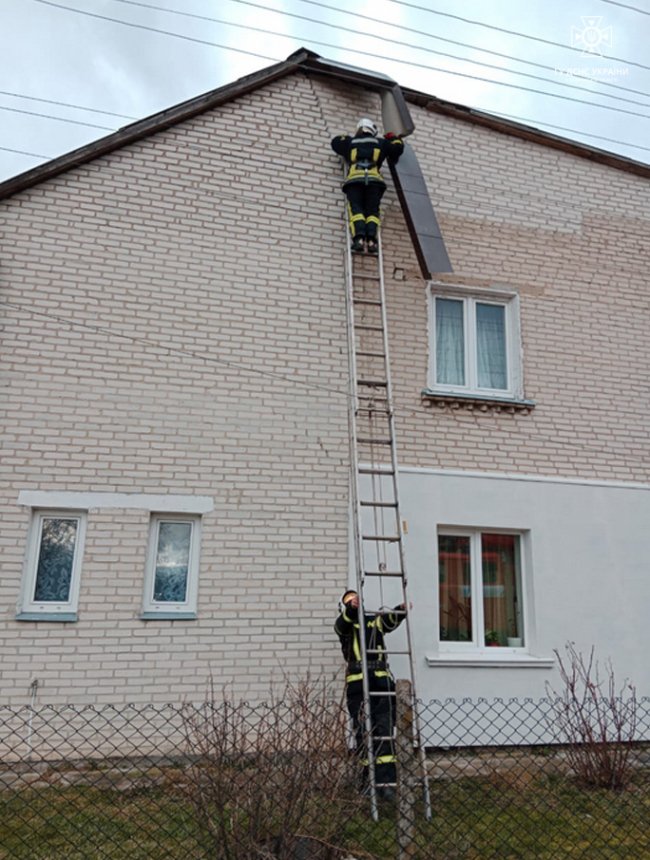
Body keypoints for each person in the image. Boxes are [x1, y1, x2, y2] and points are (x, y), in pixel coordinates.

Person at [334, 589, 406, 801]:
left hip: (381, 681)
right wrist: (350, 609)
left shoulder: (373, 622)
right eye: (349, 601)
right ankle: (368, 782)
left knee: (384, 729)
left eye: (356, 599)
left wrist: (400, 611)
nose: (354, 602)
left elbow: (389, 622)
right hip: (358, 683)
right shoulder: (344, 626)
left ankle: (387, 784)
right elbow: (343, 622)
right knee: (363, 732)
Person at [331, 118, 404, 255]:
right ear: (373, 131)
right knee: (372, 212)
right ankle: (371, 241)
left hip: (355, 181)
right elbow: (397, 148)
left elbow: (335, 143)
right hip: (374, 182)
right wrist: (393, 138)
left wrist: (345, 137)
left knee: (356, 210)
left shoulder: (350, 142)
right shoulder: (381, 143)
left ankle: (358, 240)